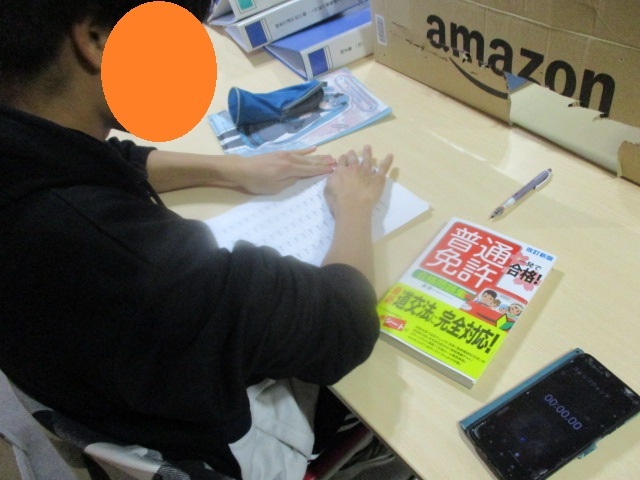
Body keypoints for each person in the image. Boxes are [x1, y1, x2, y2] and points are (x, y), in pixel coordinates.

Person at [0, 1, 393, 479]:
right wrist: (354, 206)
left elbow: (107, 157)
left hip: (94, 384)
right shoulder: (130, 259)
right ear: (96, 39)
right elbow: (343, 324)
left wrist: (232, 170)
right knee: (378, 384)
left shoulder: (30, 143)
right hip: (209, 441)